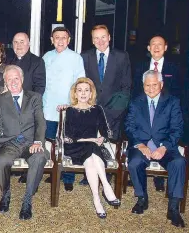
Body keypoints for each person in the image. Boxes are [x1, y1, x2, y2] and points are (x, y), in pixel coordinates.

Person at [0, 65, 49, 220]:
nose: (13, 82)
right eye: (9, 79)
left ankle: (27, 200)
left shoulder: (34, 97)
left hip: (31, 142)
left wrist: (38, 142)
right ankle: (6, 193)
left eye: (16, 78)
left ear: (22, 79)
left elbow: (40, 122)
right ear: (5, 82)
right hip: (10, 143)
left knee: (39, 157)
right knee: (1, 162)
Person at [125, 70, 186, 228]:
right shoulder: (135, 102)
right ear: (142, 85)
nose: (151, 88)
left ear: (161, 84)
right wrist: (140, 144)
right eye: (147, 85)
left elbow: (177, 129)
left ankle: (173, 208)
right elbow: (129, 127)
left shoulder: (172, 102)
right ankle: (142, 199)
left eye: (154, 85)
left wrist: (164, 147)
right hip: (142, 144)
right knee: (134, 162)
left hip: (165, 145)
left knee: (179, 163)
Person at [79, 24, 132, 186]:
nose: (100, 41)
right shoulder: (85, 57)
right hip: (91, 109)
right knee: (91, 141)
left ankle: (108, 173)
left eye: (103, 37)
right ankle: (90, 173)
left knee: (109, 142)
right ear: (92, 40)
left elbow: (126, 86)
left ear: (109, 38)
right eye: (96, 38)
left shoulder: (122, 57)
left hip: (114, 109)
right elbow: (82, 83)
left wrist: (115, 111)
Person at [62, 77, 121, 219]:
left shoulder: (97, 109)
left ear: (91, 93)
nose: (83, 93)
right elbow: (69, 136)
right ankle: (106, 187)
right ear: (75, 94)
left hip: (91, 148)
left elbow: (106, 131)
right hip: (74, 147)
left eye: (86, 90)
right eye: (80, 90)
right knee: (91, 148)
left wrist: (102, 138)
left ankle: (97, 199)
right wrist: (92, 139)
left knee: (91, 159)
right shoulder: (69, 110)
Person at [132, 34, 185, 191]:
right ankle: (138, 174)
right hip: (144, 111)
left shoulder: (174, 68)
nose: (156, 47)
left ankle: (158, 178)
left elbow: (179, 92)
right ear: (148, 48)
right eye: (152, 44)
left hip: (165, 115)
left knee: (162, 142)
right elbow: (135, 90)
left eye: (159, 44)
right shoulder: (140, 66)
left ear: (166, 47)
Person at [42, 26, 85, 191]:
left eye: (63, 38)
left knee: (67, 143)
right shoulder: (47, 57)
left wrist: (72, 104)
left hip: (68, 109)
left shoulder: (76, 58)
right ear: (52, 40)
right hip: (48, 107)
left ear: (69, 40)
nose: (60, 40)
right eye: (56, 37)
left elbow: (80, 84)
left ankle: (68, 176)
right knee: (51, 142)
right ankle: (54, 172)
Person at [7, 32, 46, 184]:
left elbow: (39, 87)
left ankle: (27, 171)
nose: (19, 45)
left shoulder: (37, 61)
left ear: (28, 43)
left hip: (28, 108)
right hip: (10, 107)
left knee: (27, 138)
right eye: (15, 42)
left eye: (22, 42)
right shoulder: (9, 61)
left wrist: (28, 106)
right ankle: (10, 167)